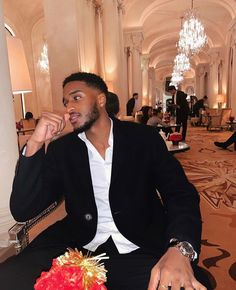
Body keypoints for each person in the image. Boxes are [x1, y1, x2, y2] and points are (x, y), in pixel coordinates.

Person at [0, 72, 211, 290]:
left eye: (76, 97)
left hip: (139, 246)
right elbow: (23, 209)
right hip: (77, 246)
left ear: (101, 99)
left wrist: (180, 247)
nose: (69, 107)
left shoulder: (143, 138)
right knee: (8, 278)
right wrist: (35, 143)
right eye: (65, 102)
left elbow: (180, 194)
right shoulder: (62, 149)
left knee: (185, 285)